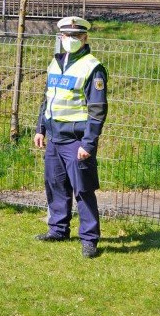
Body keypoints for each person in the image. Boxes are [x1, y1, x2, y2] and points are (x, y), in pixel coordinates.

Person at [33, 16, 108, 258]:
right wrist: (40, 128)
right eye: (67, 36)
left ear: (85, 38)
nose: (71, 40)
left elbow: (97, 110)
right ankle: (58, 229)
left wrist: (88, 143)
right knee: (55, 186)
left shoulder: (92, 67)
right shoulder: (55, 63)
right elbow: (48, 99)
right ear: (61, 37)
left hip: (76, 141)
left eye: (76, 36)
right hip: (54, 137)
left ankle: (89, 239)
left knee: (83, 190)